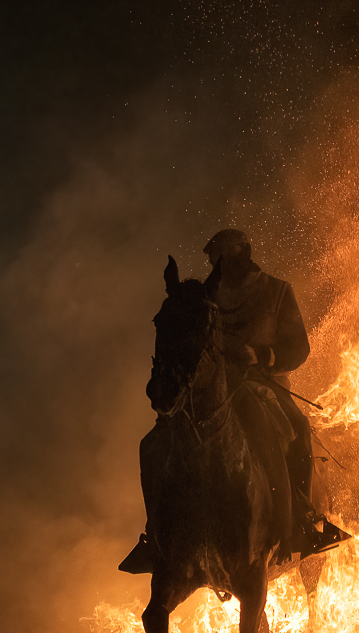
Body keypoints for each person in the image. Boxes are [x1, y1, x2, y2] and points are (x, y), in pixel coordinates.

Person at [122, 228, 347, 573]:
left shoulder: (276, 291)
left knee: (299, 430)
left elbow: (299, 347)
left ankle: (304, 522)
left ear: (243, 251)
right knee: (154, 444)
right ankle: (158, 537)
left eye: (223, 255)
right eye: (214, 258)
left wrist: (263, 357)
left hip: (263, 385)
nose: (217, 263)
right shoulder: (208, 295)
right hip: (212, 391)